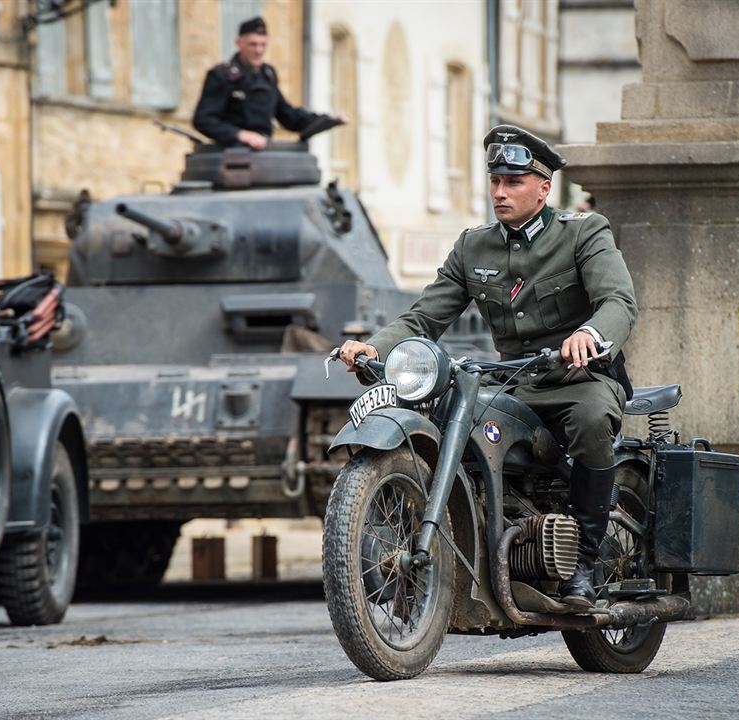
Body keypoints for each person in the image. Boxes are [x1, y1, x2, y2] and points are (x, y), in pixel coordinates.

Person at [338, 124, 639, 609]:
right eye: (495, 180)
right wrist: (376, 348)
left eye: (514, 182)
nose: (500, 191)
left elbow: (619, 302)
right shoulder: (473, 247)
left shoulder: (583, 233)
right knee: (446, 413)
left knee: (589, 420)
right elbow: (424, 317)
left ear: (544, 188)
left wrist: (589, 335)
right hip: (513, 383)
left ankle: (584, 560)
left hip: (578, 379)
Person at [192, 16, 344, 149]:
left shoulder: (267, 75)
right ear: (239, 43)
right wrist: (239, 134)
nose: (258, 50)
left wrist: (325, 120)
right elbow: (203, 120)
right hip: (228, 157)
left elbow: (288, 116)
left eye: (263, 44)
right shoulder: (221, 76)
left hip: (263, 156)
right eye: (253, 44)